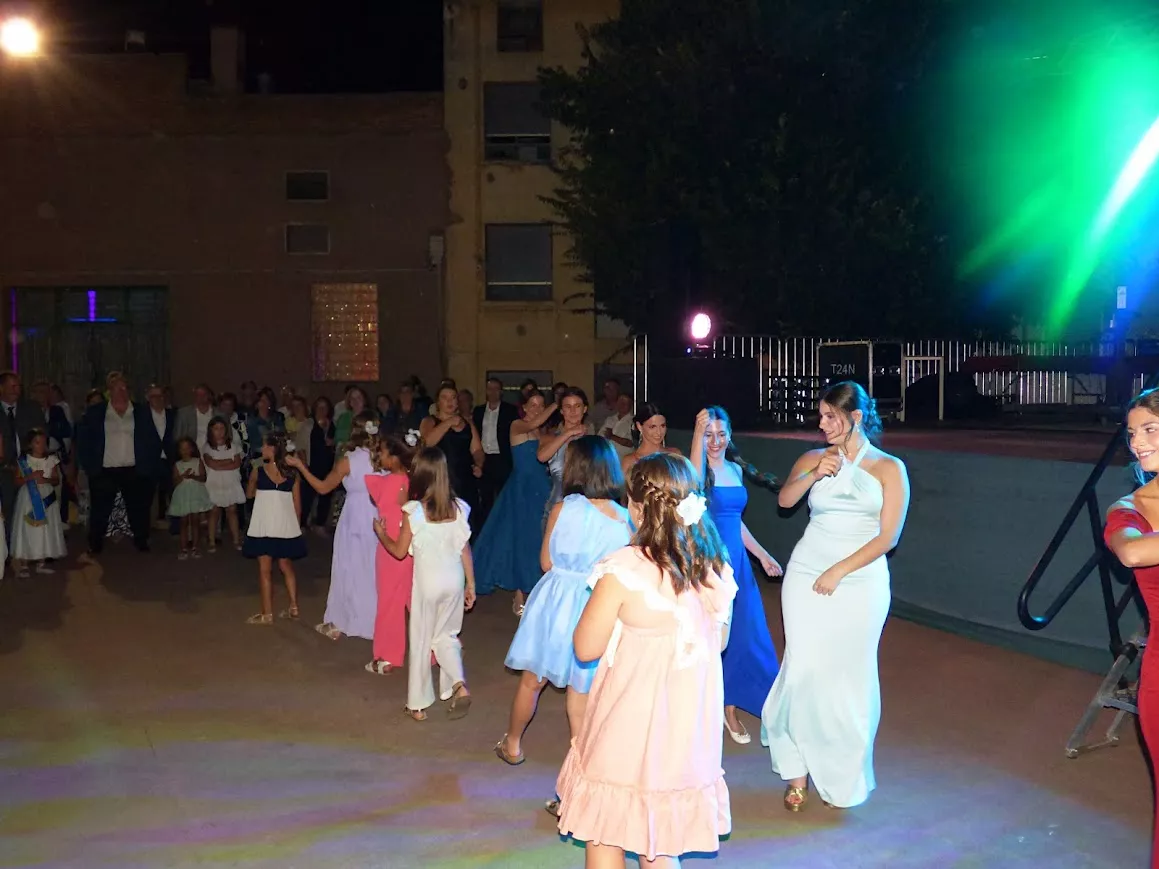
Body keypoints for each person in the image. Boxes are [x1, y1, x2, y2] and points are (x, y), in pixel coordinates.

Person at [555, 453, 737, 867]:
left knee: (605, 829)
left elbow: (585, 648)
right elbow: (719, 643)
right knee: (659, 842)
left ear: (637, 508)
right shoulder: (714, 569)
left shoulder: (623, 569)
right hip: (683, 734)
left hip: (628, 722)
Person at [762, 381, 909, 811]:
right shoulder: (813, 457)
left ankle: (842, 774)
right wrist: (815, 472)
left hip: (860, 581)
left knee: (848, 677)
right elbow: (786, 501)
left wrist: (840, 571)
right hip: (806, 572)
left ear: (856, 417)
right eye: (821, 415)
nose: (822, 424)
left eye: (831, 417)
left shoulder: (888, 467)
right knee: (802, 669)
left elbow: (889, 536)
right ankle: (796, 770)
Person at [494, 437, 632, 775]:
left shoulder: (562, 508)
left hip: (555, 602)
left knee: (532, 680)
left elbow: (545, 562)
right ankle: (582, 766)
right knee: (582, 690)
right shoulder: (626, 519)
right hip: (597, 603)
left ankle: (512, 743)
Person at [690, 406, 783, 745]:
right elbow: (695, 488)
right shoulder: (696, 471)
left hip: (738, 563)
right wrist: (697, 437)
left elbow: (736, 523)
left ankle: (736, 705)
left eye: (721, 434)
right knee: (711, 637)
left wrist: (763, 555)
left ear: (730, 435)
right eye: (708, 434)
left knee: (747, 634)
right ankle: (713, 708)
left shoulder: (734, 469)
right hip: (710, 564)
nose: (715, 441)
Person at [374, 447, 475, 722]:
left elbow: (398, 551)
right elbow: (465, 548)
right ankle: (458, 683)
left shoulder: (414, 511)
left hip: (428, 583)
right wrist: (471, 584)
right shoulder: (459, 508)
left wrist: (382, 534)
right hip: (454, 579)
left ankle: (417, 705)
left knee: (421, 640)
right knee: (446, 636)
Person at [1104, 386, 1159, 868]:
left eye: (1150, 429)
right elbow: (1133, 553)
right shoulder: (1130, 506)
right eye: (1132, 433)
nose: (1137, 442)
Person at [288, 411, 383, 642]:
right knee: (373, 567)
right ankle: (374, 622)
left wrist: (301, 466)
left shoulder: (348, 460)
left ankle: (343, 621)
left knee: (348, 566)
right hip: (378, 514)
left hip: (354, 516)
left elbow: (322, 488)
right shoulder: (384, 457)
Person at [472, 391, 557, 614]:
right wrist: (558, 403)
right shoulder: (516, 425)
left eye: (541, 405)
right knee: (520, 538)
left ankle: (539, 587)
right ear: (525, 408)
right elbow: (537, 423)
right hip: (521, 488)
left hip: (541, 486)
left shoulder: (540, 431)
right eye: (533, 405)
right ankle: (520, 591)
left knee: (539, 538)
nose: (537, 409)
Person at [77, 373, 162, 555]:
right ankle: (95, 542)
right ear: (109, 391)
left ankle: (141, 539)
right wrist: (90, 466)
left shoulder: (140, 411)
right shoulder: (97, 412)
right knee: (100, 509)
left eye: (125, 388)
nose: (122, 392)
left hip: (133, 468)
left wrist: (149, 465)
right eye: (118, 388)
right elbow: (84, 440)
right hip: (106, 469)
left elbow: (152, 439)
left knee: (138, 508)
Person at [364, 433, 417, 675]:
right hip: (412, 548)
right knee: (414, 601)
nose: (379, 456)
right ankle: (437, 651)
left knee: (389, 602)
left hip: (391, 547)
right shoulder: (412, 481)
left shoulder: (387, 483)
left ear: (395, 457)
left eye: (383, 452)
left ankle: (387, 656)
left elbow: (373, 492)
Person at [242, 431, 305, 624]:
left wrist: (252, 485)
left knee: (264, 569)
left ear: (273, 449)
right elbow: (297, 505)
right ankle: (294, 606)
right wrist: (296, 526)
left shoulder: (258, 471)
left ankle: (266, 613)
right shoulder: (292, 475)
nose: (263, 449)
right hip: (285, 526)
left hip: (265, 525)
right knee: (286, 566)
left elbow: (250, 494)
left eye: (266, 446)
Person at [10, 428, 66, 576]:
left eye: (43, 442)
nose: (41, 446)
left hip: (46, 496)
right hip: (28, 497)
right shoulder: (23, 461)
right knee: (28, 529)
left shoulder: (51, 459)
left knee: (45, 529)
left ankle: (42, 561)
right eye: (37, 442)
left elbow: (56, 480)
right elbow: (16, 481)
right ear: (30, 444)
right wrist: (30, 477)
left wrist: (45, 480)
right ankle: (24, 563)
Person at [0, 371, 48, 538]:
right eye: (11, 386)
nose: (16, 390)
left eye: (18, 386)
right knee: (8, 508)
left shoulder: (31, 409)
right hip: (4, 469)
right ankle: (9, 548)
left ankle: (33, 548)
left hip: (29, 466)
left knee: (31, 508)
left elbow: (42, 435)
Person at [537, 387, 590, 526]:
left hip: (587, 509)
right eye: (568, 406)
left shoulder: (593, 441)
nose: (573, 411)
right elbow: (541, 457)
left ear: (585, 409)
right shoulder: (550, 438)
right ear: (561, 411)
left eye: (577, 406)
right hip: (557, 507)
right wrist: (569, 433)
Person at [472, 377, 520, 530]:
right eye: (489, 389)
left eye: (496, 389)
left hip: (502, 458)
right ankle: (486, 529)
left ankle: (503, 526)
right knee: (485, 498)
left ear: (501, 392)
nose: (492, 392)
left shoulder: (510, 411)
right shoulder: (478, 411)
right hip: (484, 458)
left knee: (503, 496)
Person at [202, 417, 246, 552]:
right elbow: (211, 464)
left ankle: (236, 539)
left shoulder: (234, 446)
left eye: (222, 428)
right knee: (214, 512)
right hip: (215, 483)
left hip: (230, 481)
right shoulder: (207, 447)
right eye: (216, 429)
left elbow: (237, 463)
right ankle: (211, 540)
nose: (219, 432)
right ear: (211, 431)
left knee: (232, 511)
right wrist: (228, 462)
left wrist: (221, 464)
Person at [167, 437, 212, 560]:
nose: (185, 451)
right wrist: (183, 476)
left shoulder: (198, 461)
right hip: (182, 496)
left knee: (195, 522)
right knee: (183, 523)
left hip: (195, 494)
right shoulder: (177, 464)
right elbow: (174, 482)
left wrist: (193, 476)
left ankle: (195, 547)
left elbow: (203, 478)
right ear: (178, 451)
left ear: (192, 448)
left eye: (187, 448)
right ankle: (183, 548)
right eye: (182, 449)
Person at [621, 401, 681, 476]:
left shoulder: (675, 454)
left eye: (662, 426)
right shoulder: (630, 461)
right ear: (639, 426)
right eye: (652, 427)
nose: (659, 432)